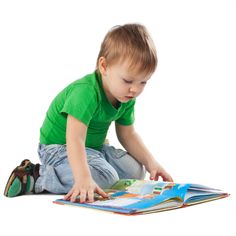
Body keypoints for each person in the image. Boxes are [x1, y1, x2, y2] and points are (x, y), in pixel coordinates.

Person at [4, 23, 173, 202]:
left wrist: (152, 163)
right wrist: (83, 178)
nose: (135, 89)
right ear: (104, 66)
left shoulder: (126, 95)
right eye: (128, 80)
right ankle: (37, 176)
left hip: (93, 148)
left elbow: (128, 134)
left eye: (143, 82)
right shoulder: (85, 92)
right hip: (59, 148)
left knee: (137, 170)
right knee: (107, 178)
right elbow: (74, 138)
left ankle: (92, 169)